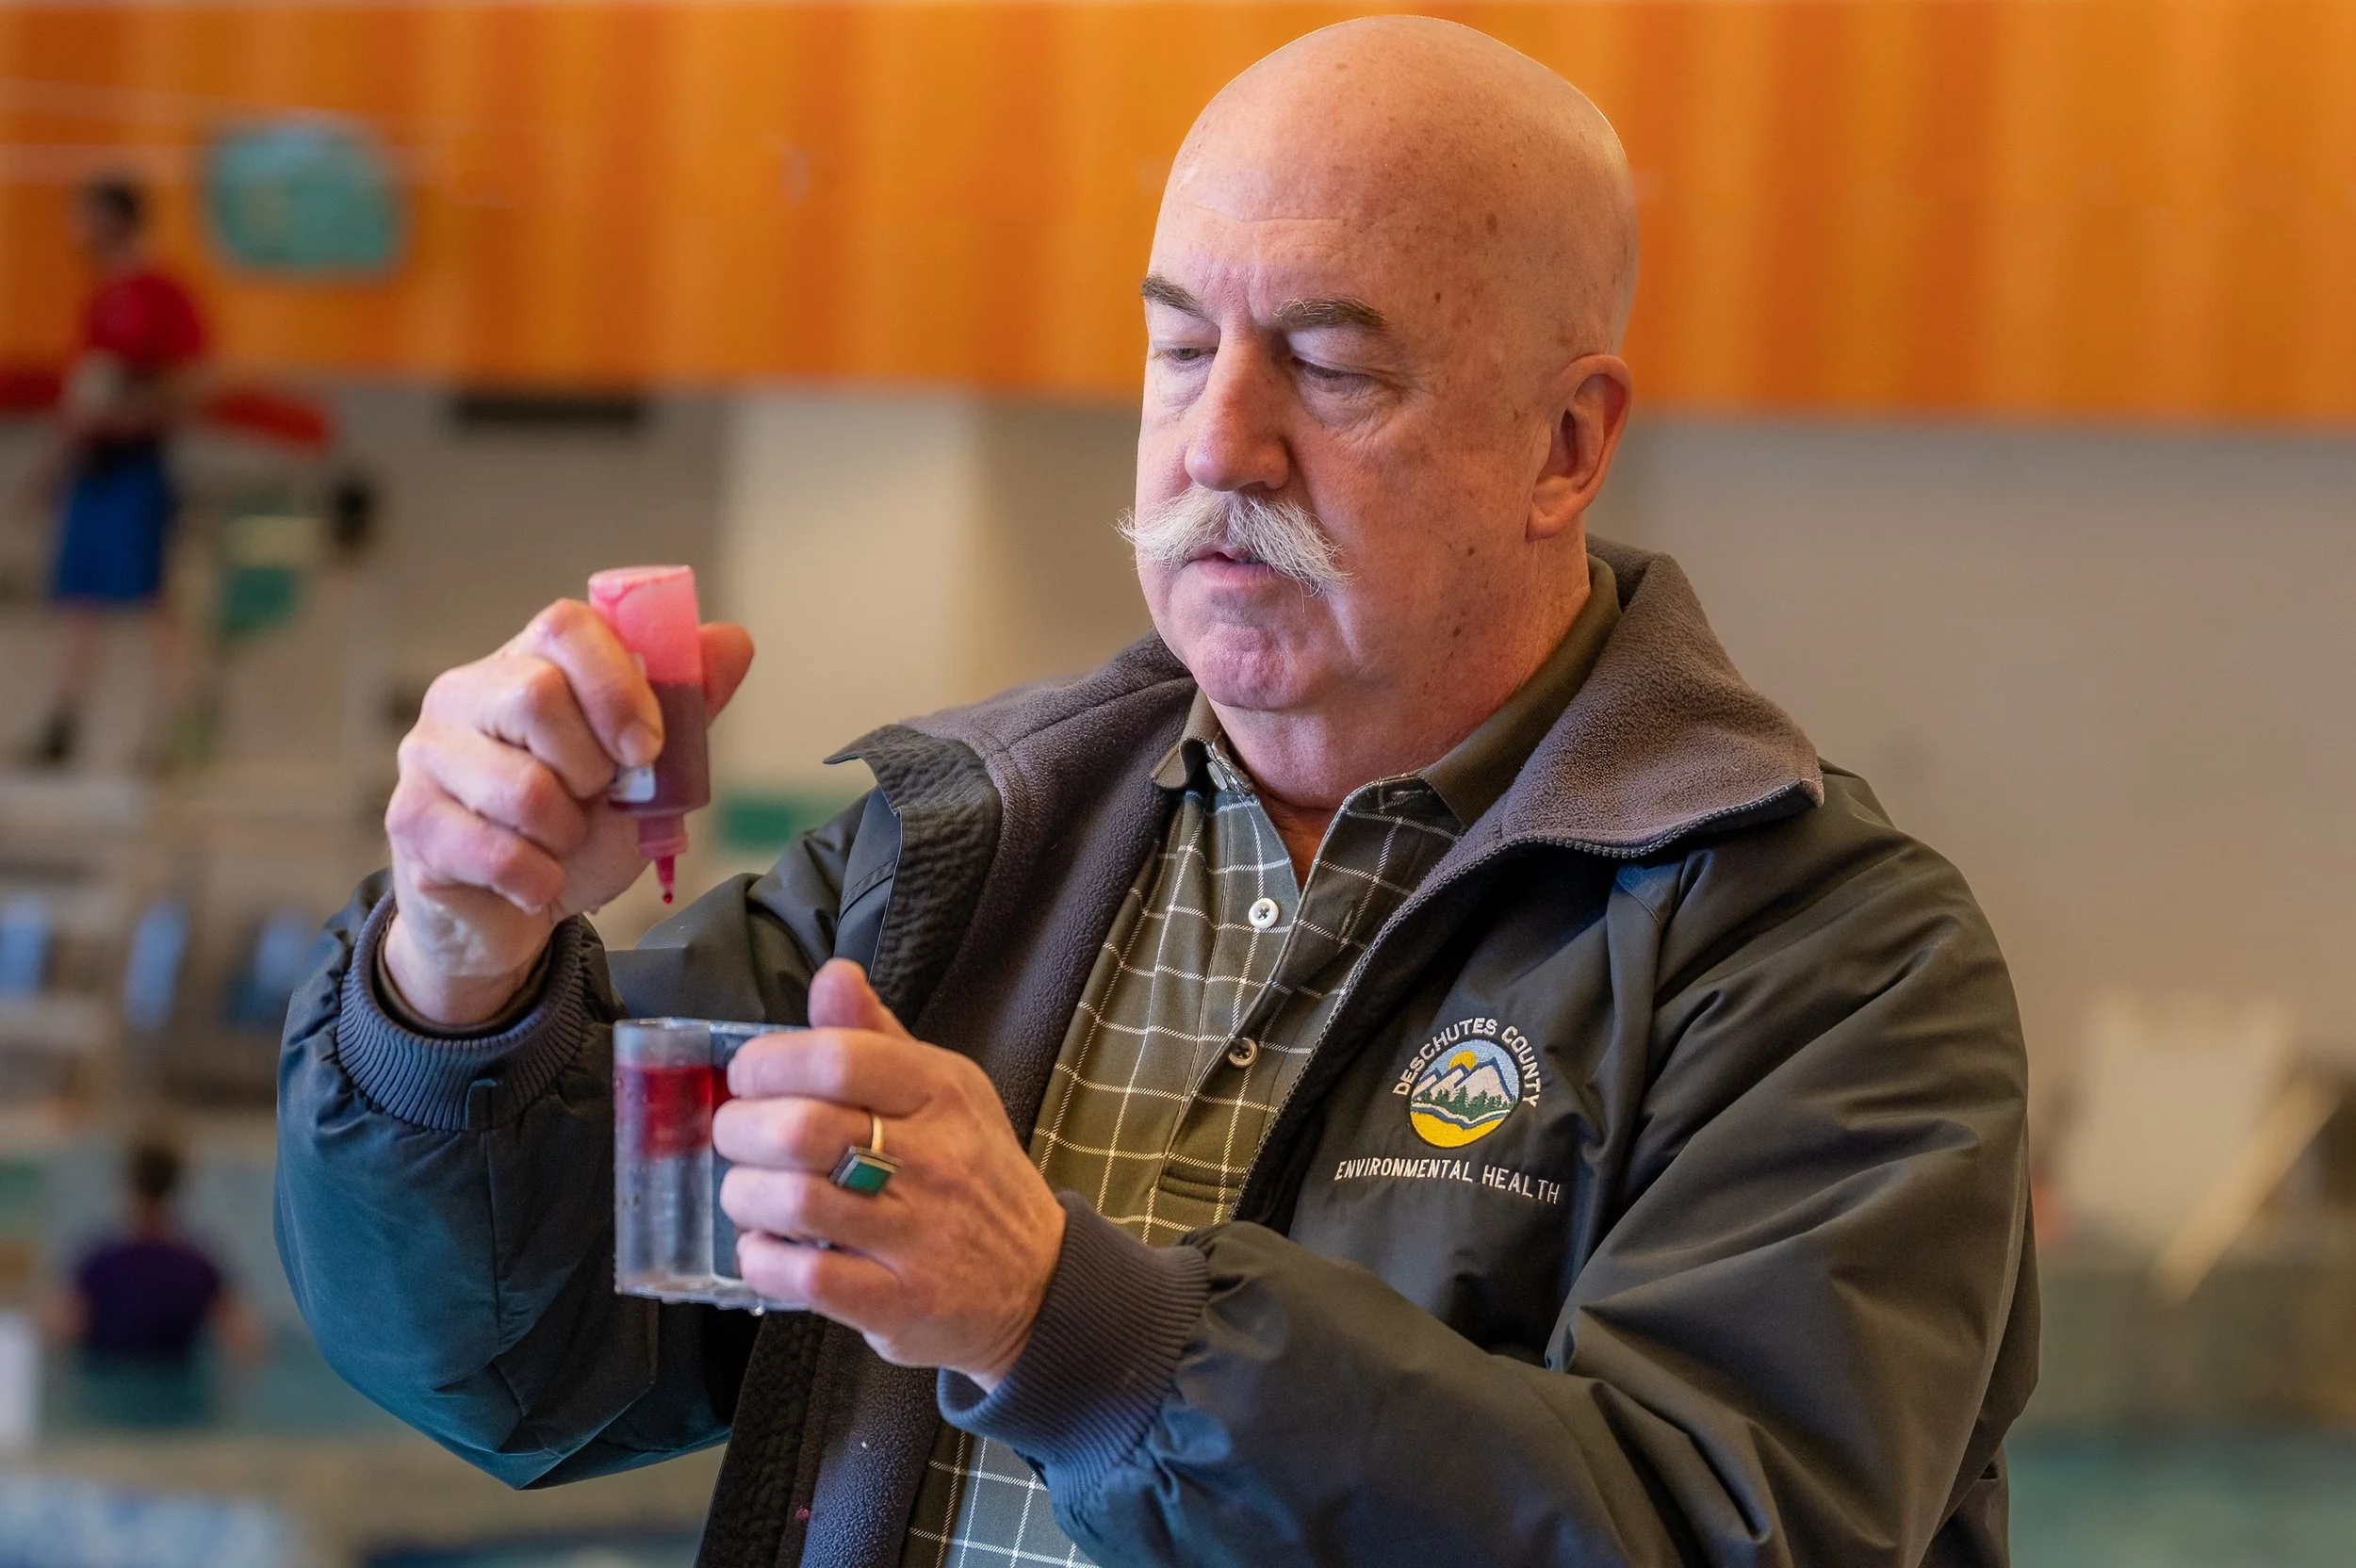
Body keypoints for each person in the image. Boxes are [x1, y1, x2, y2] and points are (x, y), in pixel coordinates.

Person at [277, 18, 2036, 1568]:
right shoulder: (960, 847)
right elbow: (519, 1361)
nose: (1218, 443)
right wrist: (454, 970)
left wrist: (1078, 1322)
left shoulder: (1830, 959)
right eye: (1182, 346)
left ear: (1564, 445)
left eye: (1332, 365)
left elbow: (1731, 1525)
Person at [22, 175, 205, 769]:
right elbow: (84, 396)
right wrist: (55, 462)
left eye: (86, 216)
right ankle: (62, 721)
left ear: (115, 220)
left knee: (154, 599)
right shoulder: (101, 295)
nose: (76, 230)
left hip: (134, 466)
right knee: (81, 596)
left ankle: (177, 729)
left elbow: (190, 380)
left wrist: (133, 416)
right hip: (94, 466)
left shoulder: (158, 293)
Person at [44, 1137, 264, 1369]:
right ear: (176, 1186)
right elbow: (248, 1339)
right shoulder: (197, 1266)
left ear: (129, 1185)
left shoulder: (100, 1262)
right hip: (177, 1396)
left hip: (111, 1391)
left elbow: (56, 1330)